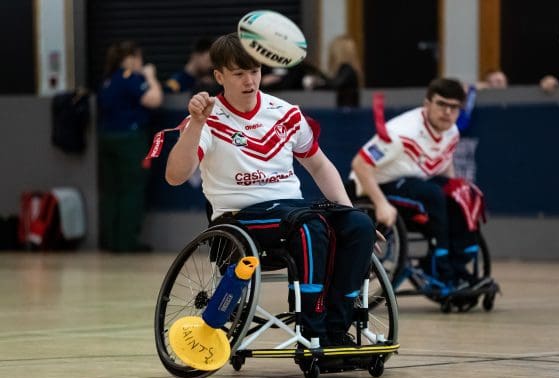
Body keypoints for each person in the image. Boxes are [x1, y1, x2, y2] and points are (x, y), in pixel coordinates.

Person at [164, 33, 376, 346]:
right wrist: (195, 124)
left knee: (358, 224)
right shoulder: (208, 119)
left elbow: (318, 166)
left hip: (291, 210)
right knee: (310, 226)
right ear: (219, 76)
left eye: (255, 71)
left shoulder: (286, 112)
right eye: (239, 74)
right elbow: (175, 176)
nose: (249, 81)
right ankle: (313, 329)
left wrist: (347, 208)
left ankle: (336, 326)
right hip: (239, 219)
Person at [349, 78, 485, 289]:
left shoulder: (452, 132)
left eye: (454, 107)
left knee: (463, 193)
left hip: (414, 182)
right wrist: (381, 204)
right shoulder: (400, 133)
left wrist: (456, 190)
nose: (448, 112)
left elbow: (445, 161)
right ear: (427, 104)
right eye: (441, 104)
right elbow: (359, 165)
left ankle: (459, 263)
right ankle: (440, 268)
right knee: (432, 194)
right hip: (373, 186)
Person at [97, 40, 163, 252]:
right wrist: (151, 77)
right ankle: (126, 243)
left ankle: (111, 241)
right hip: (129, 140)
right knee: (131, 191)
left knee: (112, 192)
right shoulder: (130, 78)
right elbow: (154, 99)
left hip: (107, 138)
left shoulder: (107, 80)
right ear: (132, 58)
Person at [303, 35, 363, 107]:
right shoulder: (349, 69)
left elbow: (335, 84)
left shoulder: (347, 69)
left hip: (348, 113)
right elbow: (333, 84)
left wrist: (317, 73)